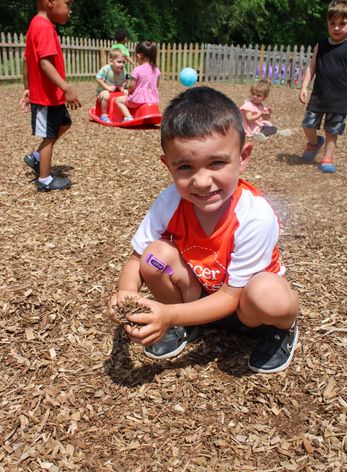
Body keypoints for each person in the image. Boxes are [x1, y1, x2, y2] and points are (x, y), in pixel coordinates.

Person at [108, 87, 299, 374]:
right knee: (153, 257)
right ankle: (187, 324)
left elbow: (231, 297)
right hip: (197, 298)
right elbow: (137, 259)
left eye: (217, 163)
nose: (201, 181)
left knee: (270, 294)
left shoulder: (254, 215)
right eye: (185, 166)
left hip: (246, 309)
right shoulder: (170, 201)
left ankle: (280, 331)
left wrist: (167, 315)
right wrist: (126, 293)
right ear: (168, 166)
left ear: (243, 156)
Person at [20, 0, 81, 192]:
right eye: (68, 4)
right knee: (49, 135)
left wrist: (27, 87)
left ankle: (37, 158)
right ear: (50, 2)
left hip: (50, 95)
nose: (70, 11)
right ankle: (45, 180)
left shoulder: (37, 25)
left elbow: (27, 60)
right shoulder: (44, 27)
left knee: (64, 124)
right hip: (46, 96)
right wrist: (66, 87)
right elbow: (44, 63)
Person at [299, 0, 347, 174]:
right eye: (332, 23)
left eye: (342, 24)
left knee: (331, 130)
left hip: (340, 98)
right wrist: (304, 87)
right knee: (307, 124)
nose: (336, 28)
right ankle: (314, 142)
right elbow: (311, 67)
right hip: (319, 95)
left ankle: (328, 157)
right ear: (327, 23)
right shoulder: (322, 45)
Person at [116, 41, 160, 122]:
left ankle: (128, 117)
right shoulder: (156, 70)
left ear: (139, 55)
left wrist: (126, 88)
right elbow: (156, 86)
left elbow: (132, 87)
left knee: (118, 100)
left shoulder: (137, 70)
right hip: (153, 100)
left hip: (138, 101)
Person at [96, 49, 127, 123]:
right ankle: (104, 115)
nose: (122, 64)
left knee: (127, 94)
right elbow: (98, 78)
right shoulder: (106, 69)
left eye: (123, 62)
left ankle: (124, 115)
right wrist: (107, 87)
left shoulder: (123, 70)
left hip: (116, 92)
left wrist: (124, 88)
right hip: (102, 92)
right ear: (111, 61)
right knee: (106, 95)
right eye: (119, 62)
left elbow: (124, 81)